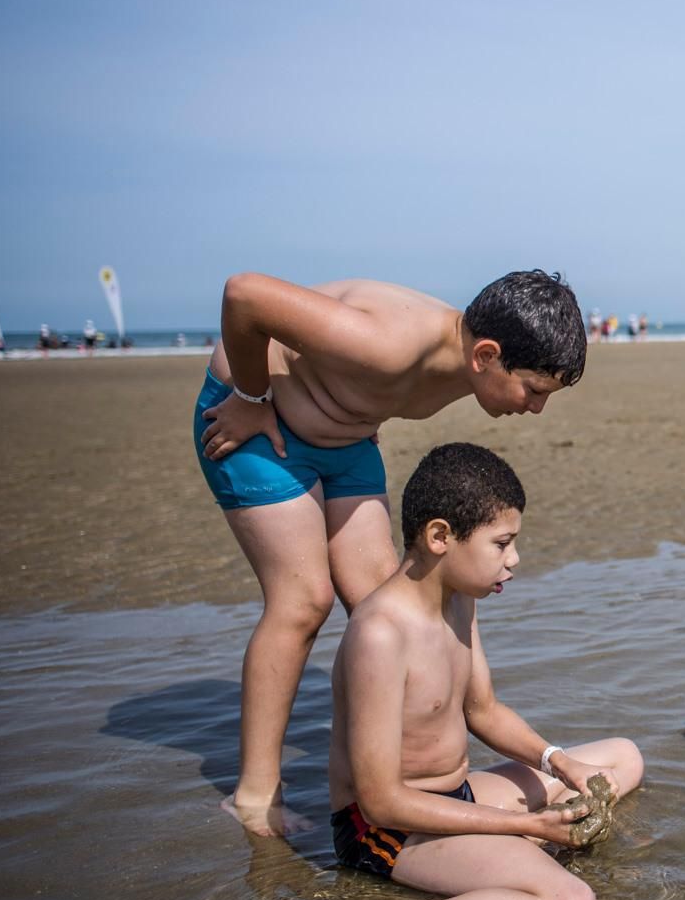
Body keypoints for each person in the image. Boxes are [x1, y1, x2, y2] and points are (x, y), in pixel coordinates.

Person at [224, 443, 644, 900]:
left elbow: (483, 711)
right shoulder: (380, 635)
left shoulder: (458, 597)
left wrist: (558, 763)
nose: (514, 560)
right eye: (502, 543)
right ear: (440, 536)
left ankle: (512, 852)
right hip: (388, 831)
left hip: (458, 796)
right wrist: (527, 825)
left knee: (623, 756)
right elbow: (380, 802)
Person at [196, 270, 586, 837]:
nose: (535, 409)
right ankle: (255, 795)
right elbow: (244, 296)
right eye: (533, 390)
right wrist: (252, 397)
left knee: (395, 598)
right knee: (304, 602)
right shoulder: (389, 343)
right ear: (486, 355)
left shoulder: (468, 359)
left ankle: (398, 781)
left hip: (346, 438)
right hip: (254, 425)